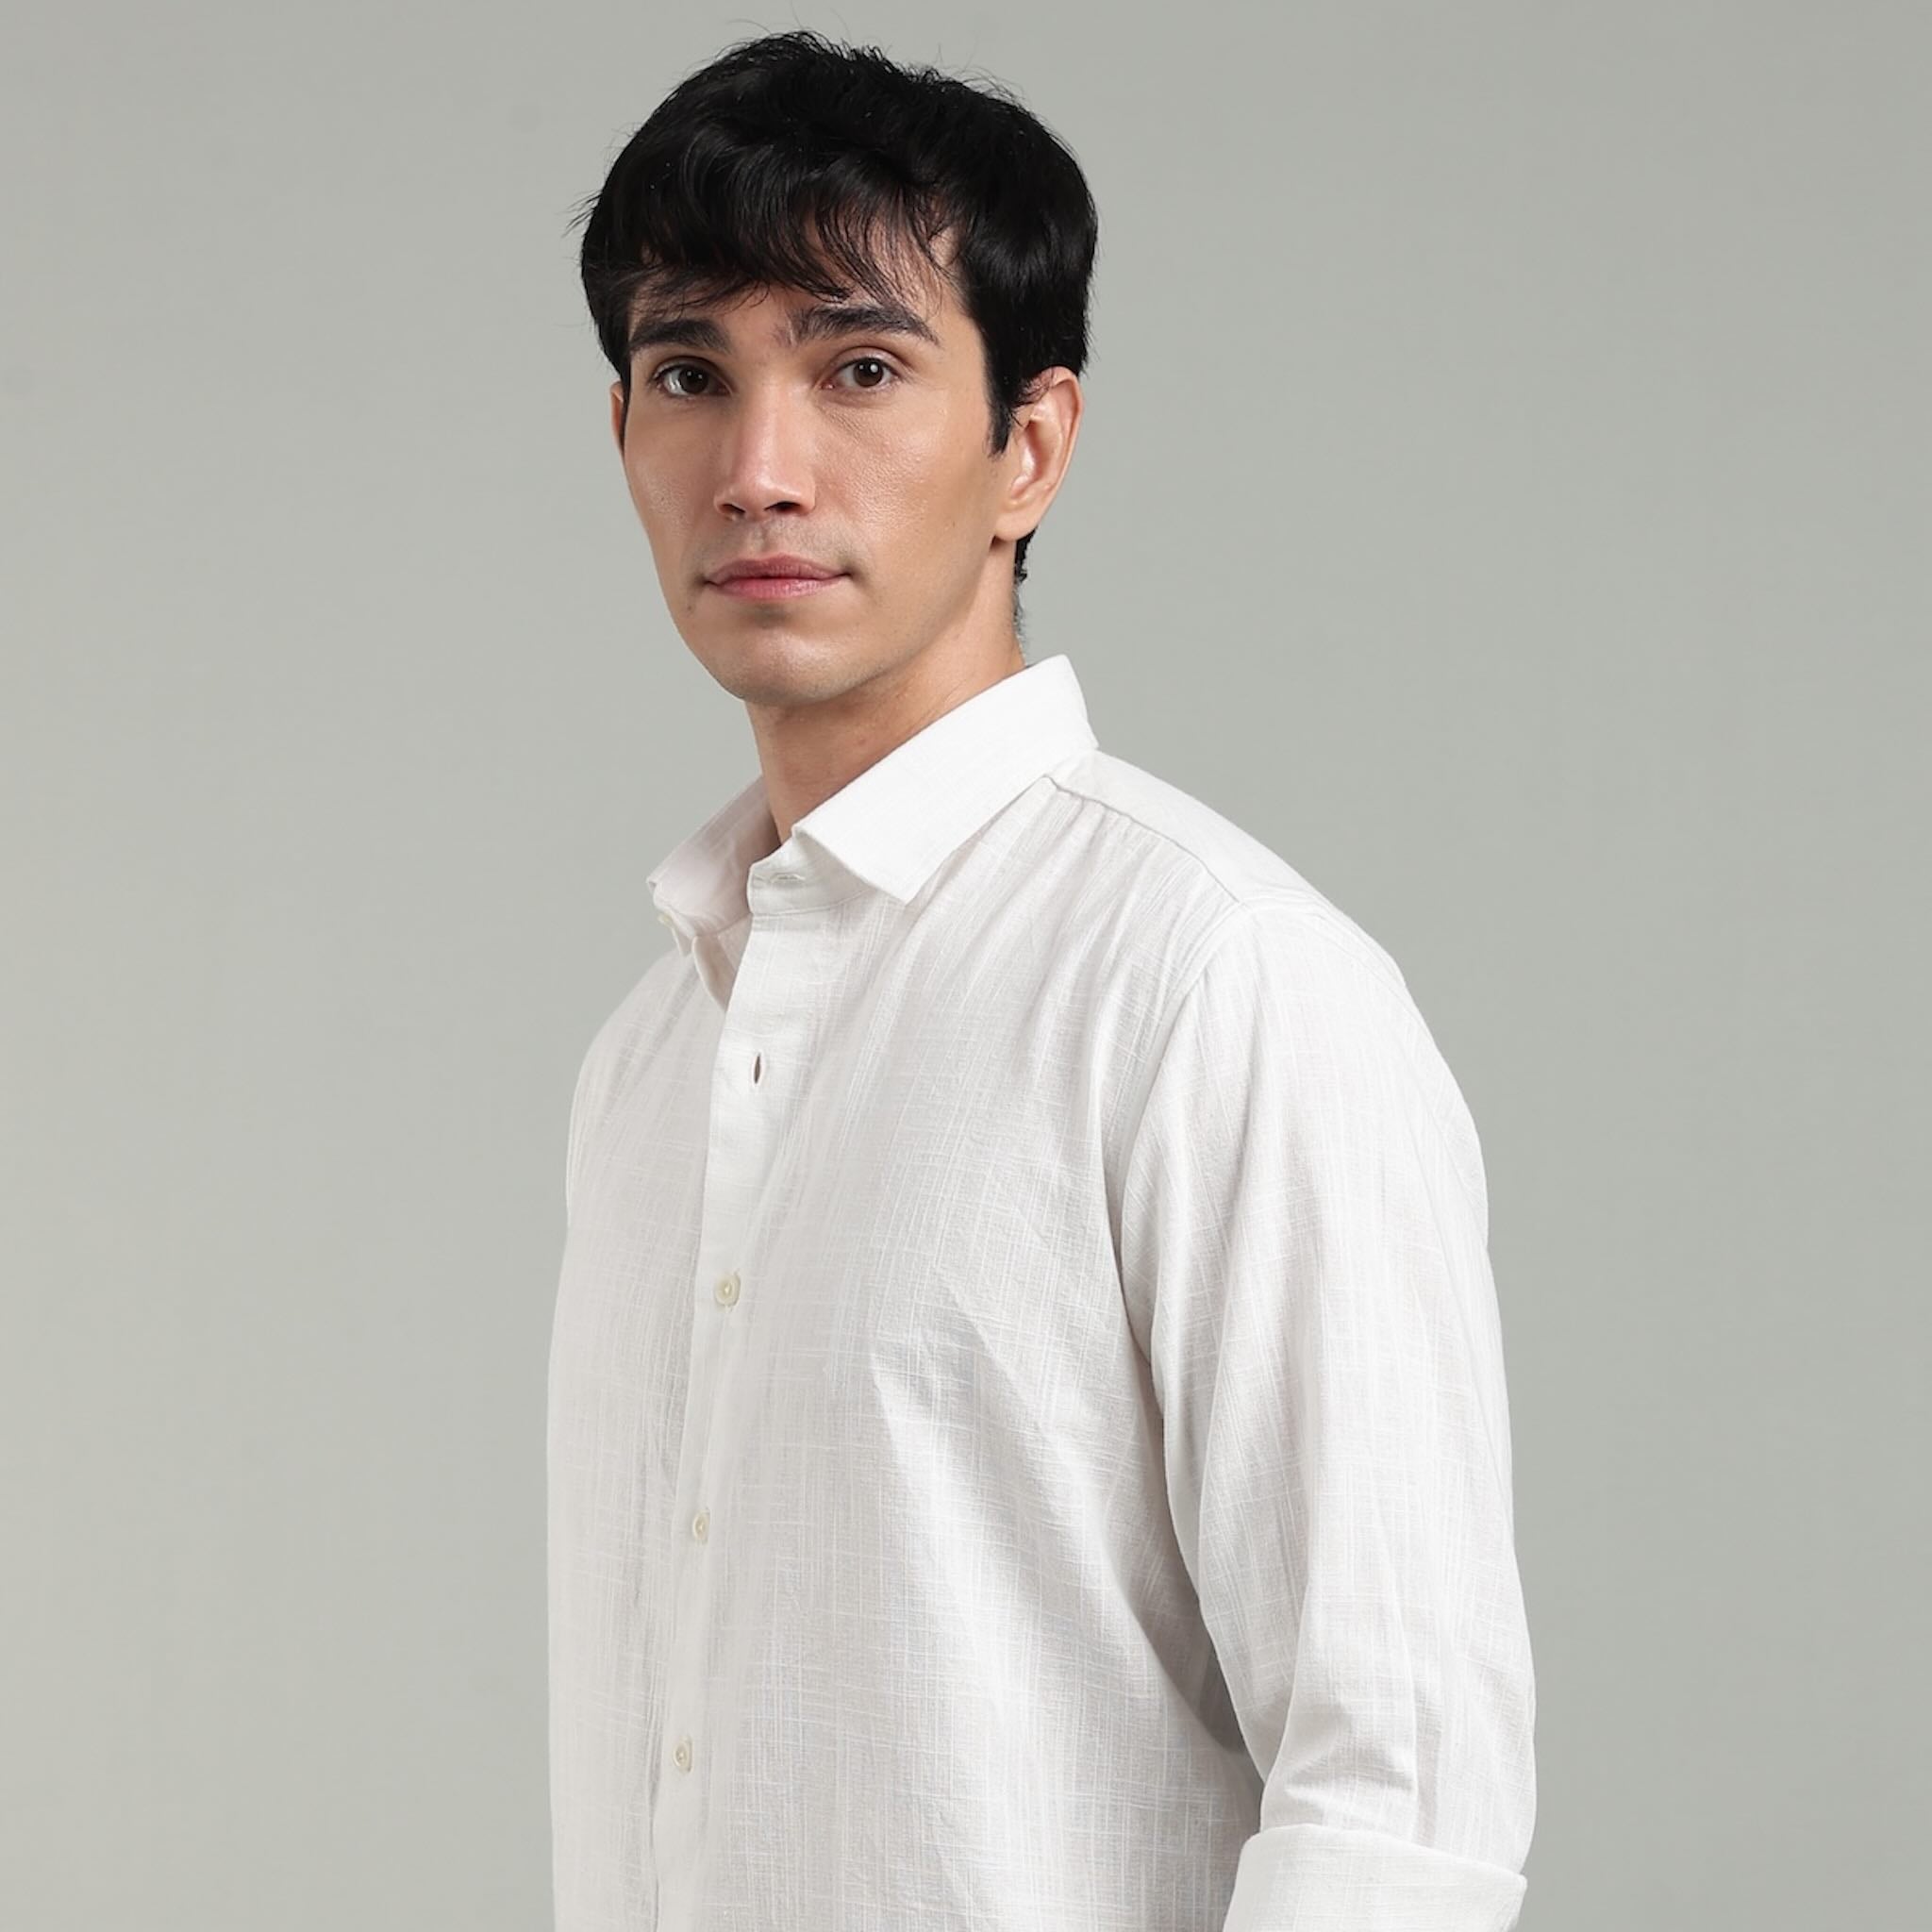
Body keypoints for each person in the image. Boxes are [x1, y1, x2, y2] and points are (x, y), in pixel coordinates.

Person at [550, 28, 1536, 1932]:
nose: (758, 468)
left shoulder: (1211, 987)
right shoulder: (645, 1063)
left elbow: (1397, 1794)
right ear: (623, 442)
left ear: (1029, 446)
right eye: (690, 375)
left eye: (857, 368)